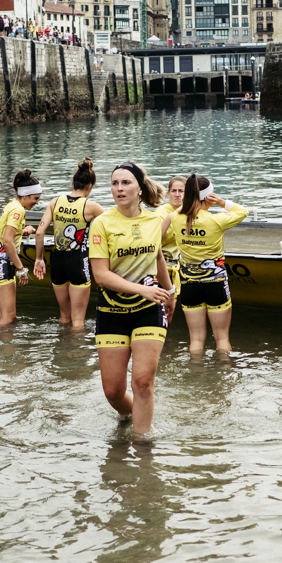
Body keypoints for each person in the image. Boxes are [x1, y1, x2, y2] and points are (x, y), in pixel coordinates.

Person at [88, 162, 174, 435]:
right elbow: (101, 275)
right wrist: (141, 289)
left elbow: (157, 256)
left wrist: (170, 292)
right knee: (113, 391)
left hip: (149, 309)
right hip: (111, 311)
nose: (119, 188)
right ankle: (131, 415)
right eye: (115, 183)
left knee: (143, 382)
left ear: (139, 189)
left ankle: (143, 441)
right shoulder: (101, 223)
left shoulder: (154, 221)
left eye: (126, 183)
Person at [169, 174, 248, 353]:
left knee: (195, 340)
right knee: (222, 338)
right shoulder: (216, 220)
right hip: (215, 283)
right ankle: (224, 369)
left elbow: (184, 209)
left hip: (189, 284)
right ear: (209, 197)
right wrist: (220, 202)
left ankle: (196, 370)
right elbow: (242, 211)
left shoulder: (175, 217)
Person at [33, 158, 105, 330]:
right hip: (78, 263)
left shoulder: (55, 202)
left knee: (64, 317)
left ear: (74, 183)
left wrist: (39, 259)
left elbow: (39, 232)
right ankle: (76, 348)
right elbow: (113, 228)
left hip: (57, 263)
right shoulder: (91, 206)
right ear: (90, 186)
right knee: (78, 321)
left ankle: (62, 346)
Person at [0, 169, 42, 326]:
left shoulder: (12, 205)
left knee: (3, 316)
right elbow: (7, 241)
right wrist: (21, 269)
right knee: (8, 318)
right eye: (35, 198)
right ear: (25, 195)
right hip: (3, 264)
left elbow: (8, 233)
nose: (37, 202)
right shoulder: (18, 210)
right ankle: (3, 343)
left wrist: (25, 231)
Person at [156, 176, 186, 296]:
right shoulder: (161, 213)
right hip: (164, 266)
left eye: (181, 191)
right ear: (168, 193)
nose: (177, 195)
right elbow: (154, 240)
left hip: (181, 263)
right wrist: (170, 218)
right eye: (174, 191)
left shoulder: (190, 212)